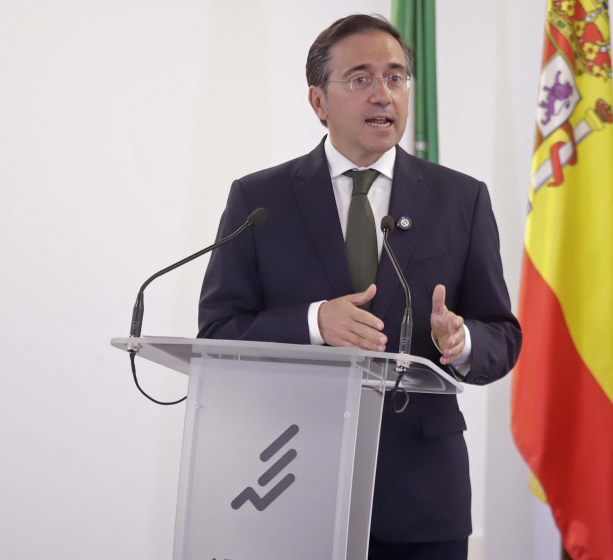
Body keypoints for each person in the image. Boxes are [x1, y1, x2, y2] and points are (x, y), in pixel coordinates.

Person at [198, 14, 521, 560]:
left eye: (395, 77)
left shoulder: (460, 199)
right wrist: (313, 323)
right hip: (289, 485)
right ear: (318, 101)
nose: (383, 94)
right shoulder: (259, 200)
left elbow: (503, 336)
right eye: (360, 78)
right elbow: (216, 333)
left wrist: (462, 341)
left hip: (423, 497)